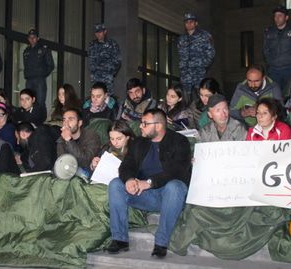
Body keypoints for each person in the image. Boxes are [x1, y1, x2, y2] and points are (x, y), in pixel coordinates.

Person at [106, 108, 191, 258]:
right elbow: (127, 166)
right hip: (144, 195)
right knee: (115, 184)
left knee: (176, 186)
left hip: (169, 196)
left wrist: (149, 183)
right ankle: (119, 239)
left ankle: (161, 243)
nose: (140, 126)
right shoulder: (139, 142)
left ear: (158, 125)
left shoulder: (179, 141)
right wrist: (129, 179)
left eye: (144, 123)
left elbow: (176, 171)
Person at [263, 5, 291, 96]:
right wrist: (269, 63)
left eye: (280, 16)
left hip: (290, 70)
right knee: (275, 96)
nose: (277, 18)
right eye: (275, 16)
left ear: (286, 17)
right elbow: (265, 50)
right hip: (274, 70)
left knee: (290, 95)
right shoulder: (269, 31)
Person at [177, 13, 215, 101]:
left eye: (191, 22)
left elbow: (211, 53)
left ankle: (201, 114)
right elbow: (180, 55)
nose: (189, 24)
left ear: (196, 23)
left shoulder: (205, 36)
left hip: (199, 72)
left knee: (201, 96)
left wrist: (202, 65)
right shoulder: (182, 38)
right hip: (185, 73)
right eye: (186, 22)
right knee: (185, 98)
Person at [23, 29, 55, 109]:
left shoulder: (44, 49)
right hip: (29, 80)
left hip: (39, 79)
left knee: (40, 102)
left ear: (38, 38)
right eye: (30, 37)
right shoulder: (26, 51)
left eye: (34, 37)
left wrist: (42, 74)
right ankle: (30, 119)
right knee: (28, 102)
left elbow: (51, 65)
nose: (32, 39)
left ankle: (40, 120)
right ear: (28, 39)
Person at [87, 23, 121, 95]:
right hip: (95, 78)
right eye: (96, 32)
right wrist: (93, 71)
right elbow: (90, 60)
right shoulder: (92, 45)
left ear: (105, 31)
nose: (98, 34)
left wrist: (111, 73)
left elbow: (118, 61)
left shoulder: (112, 44)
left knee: (108, 98)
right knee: (96, 97)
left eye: (100, 32)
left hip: (107, 78)